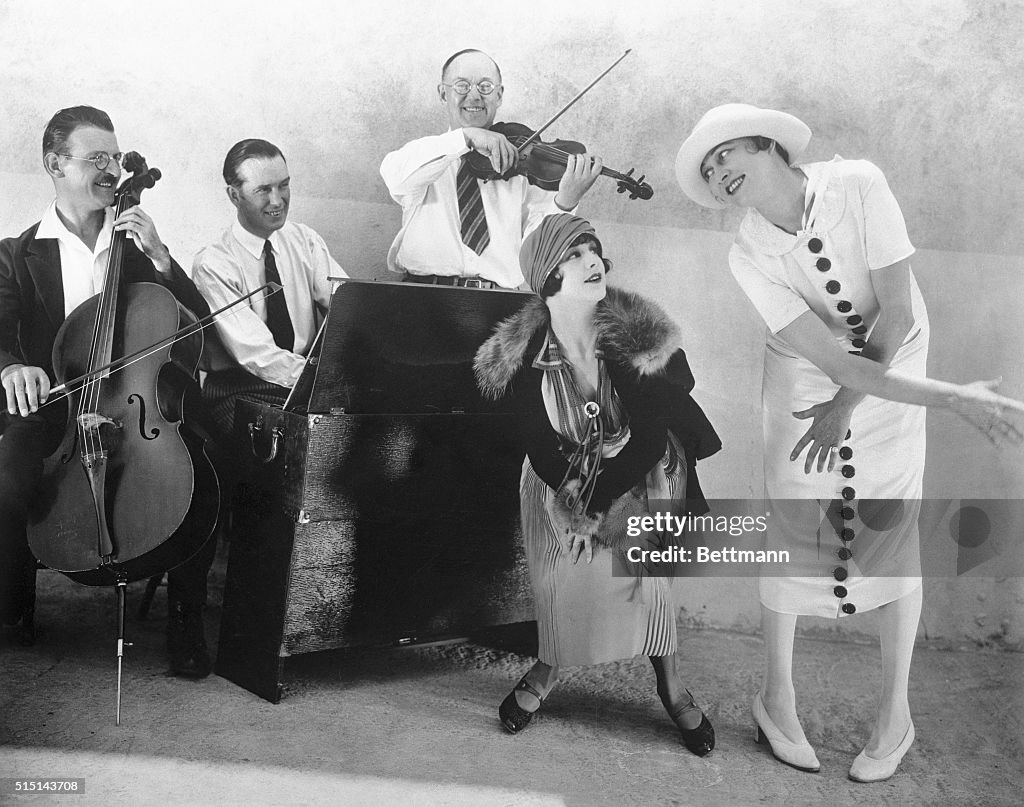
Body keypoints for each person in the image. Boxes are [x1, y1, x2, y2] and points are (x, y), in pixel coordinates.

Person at [676, 103, 1024, 781]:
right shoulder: (747, 250)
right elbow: (833, 365)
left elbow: (893, 310)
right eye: (709, 173)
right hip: (807, 381)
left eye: (726, 156)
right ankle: (777, 699)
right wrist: (839, 402)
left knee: (892, 526)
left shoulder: (859, 183)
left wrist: (862, 403)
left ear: (767, 146)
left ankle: (895, 712)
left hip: (897, 358)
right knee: (792, 526)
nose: (719, 174)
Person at [474, 213, 722, 755]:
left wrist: (603, 508)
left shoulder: (634, 339)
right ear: (548, 276)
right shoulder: (519, 357)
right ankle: (549, 667)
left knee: (648, 585)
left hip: (645, 470)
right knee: (563, 581)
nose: (594, 262)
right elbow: (539, 448)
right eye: (576, 253)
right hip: (559, 480)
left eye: (595, 251)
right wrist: (576, 510)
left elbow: (649, 441)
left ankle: (671, 683)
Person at [0, 105, 217, 677]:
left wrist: (163, 259)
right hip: (57, 411)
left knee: (206, 460)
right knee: (7, 471)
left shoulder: (136, 248)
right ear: (54, 164)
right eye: (96, 159)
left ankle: (185, 622)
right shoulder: (13, 254)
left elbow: (202, 328)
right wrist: (11, 368)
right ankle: (11, 605)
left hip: (134, 403)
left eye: (115, 159)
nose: (111, 171)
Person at [380, 48, 603, 289]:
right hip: (421, 298)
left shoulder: (525, 165)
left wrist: (565, 203)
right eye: (461, 85)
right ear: (443, 93)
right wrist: (467, 137)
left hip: (497, 305)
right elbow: (396, 178)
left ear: (499, 95)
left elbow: (536, 255)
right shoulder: (425, 154)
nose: (474, 96)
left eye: (485, 86)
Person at [192, 138, 346, 438]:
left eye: (283, 185)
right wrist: (325, 382)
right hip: (244, 389)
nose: (277, 201)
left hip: (308, 383)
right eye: (263, 190)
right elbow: (256, 354)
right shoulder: (214, 263)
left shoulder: (305, 240)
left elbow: (348, 305)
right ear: (234, 196)